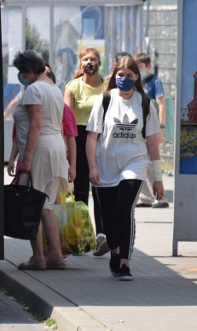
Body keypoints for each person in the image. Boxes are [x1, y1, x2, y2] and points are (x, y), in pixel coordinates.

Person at [85, 55, 165, 280]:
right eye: (120, 75)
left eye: (129, 75)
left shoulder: (145, 103)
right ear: (114, 76)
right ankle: (115, 251)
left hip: (135, 162)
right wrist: (92, 167)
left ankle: (125, 262)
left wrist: (157, 179)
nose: (124, 79)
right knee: (109, 216)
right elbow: (91, 138)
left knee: (124, 209)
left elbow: (151, 143)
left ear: (137, 77)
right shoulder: (104, 101)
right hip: (106, 165)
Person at [8, 50, 69, 270]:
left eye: (22, 72)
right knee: (47, 205)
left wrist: (27, 159)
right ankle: (56, 255)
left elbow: (35, 125)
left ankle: (38, 257)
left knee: (32, 204)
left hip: (40, 148)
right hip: (56, 147)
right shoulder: (54, 89)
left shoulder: (34, 90)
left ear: (31, 70)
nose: (21, 76)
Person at [64, 47, 109, 256]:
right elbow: (66, 118)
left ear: (100, 62)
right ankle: (82, 238)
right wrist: (67, 148)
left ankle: (102, 236)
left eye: (93, 59)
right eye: (86, 59)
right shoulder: (73, 87)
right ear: (80, 63)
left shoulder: (107, 86)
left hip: (102, 137)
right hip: (80, 138)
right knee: (81, 191)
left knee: (100, 188)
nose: (89, 62)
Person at [133, 52, 169, 209]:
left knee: (151, 160)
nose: (139, 70)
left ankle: (160, 197)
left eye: (141, 67)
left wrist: (161, 127)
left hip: (152, 127)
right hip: (140, 128)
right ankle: (146, 196)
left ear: (148, 67)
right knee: (142, 161)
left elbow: (161, 104)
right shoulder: (135, 82)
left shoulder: (155, 82)